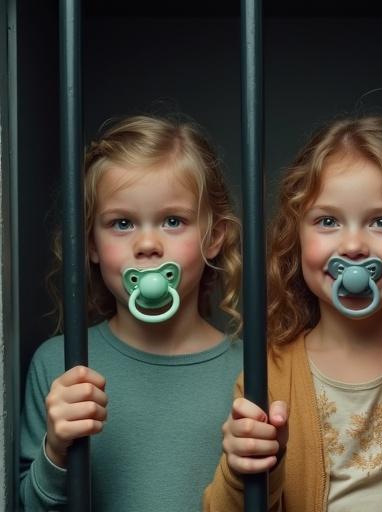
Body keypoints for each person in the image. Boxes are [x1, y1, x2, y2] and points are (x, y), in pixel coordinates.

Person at [204, 116, 382, 511]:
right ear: (296, 239)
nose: (353, 245)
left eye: (381, 221)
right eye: (327, 221)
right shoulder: (269, 374)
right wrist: (243, 471)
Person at [20, 115, 243, 511]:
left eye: (173, 221)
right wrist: (56, 450)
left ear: (215, 236)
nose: (147, 244)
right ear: (90, 243)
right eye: (121, 223)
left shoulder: (251, 370)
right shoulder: (58, 364)